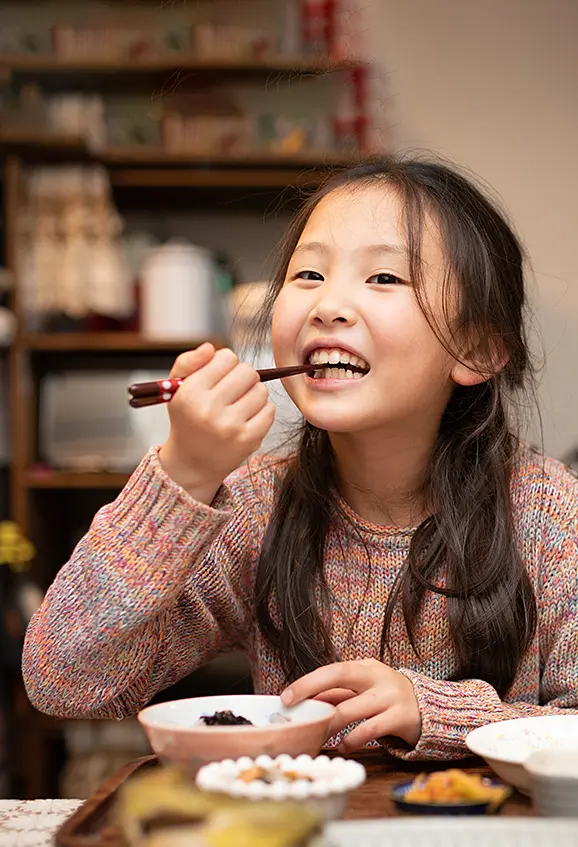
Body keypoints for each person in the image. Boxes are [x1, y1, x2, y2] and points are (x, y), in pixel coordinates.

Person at [22, 156, 577, 760]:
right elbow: (64, 682)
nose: (328, 305)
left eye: (385, 278)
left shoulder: (550, 516)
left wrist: (437, 713)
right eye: (308, 274)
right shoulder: (256, 509)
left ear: (476, 348)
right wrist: (184, 476)